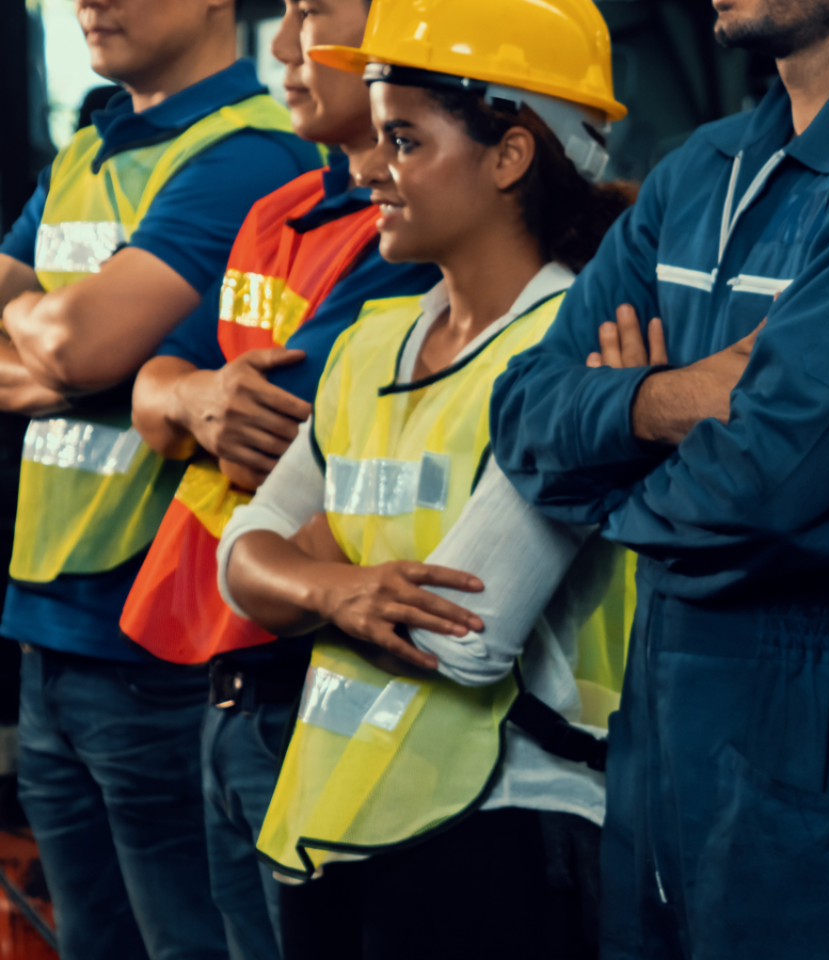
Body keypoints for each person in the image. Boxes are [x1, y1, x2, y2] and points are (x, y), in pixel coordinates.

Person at [485, 0, 829, 955]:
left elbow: (773, 489)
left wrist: (613, 453)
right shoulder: (704, 168)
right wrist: (668, 404)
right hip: (662, 722)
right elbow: (523, 417)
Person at [215, 0, 637, 956]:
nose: (366, 167)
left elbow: (465, 639)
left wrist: (312, 569)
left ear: (510, 155)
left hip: (509, 829)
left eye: (401, 139)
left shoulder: (578, 353)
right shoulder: (369, 346)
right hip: (335, 816)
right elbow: (241, 557)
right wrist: (347, 587)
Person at [121, 0, 441, 955]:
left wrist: (188, 400)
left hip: (314, 681)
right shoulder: (276, 213)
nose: (289, 45)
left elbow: (275, 423)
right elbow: (155, 384)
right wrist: (186, 398)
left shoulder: (410, 245)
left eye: (317, 13)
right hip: (221, 666)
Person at [0, 0, 319, 954]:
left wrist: (63, 339)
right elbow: (64, 347)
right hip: (48, 632)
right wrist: (64, 352)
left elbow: (79, 339)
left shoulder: (246, 155)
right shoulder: (88, 149)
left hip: (158, 644)